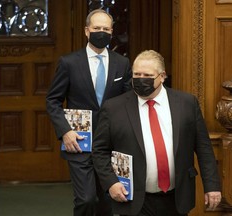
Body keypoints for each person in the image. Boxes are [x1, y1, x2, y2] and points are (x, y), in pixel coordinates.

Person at [92, 50, 221, 216]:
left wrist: (212, 187)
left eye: (147, 75)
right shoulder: (113, 108)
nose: (140, 79)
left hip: (176, 197)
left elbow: (203, 148)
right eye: (136, 74)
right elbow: (99, 151)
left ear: (162, 76)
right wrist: (111, 183)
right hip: (134, 199)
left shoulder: (186, 103)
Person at [46, 9, 132, 216]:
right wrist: (65, 131)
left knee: (107, 202)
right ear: (87, 31)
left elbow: (129, 101)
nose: (101, 32)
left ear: (111, 32)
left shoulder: (122, 63)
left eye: (105, 29)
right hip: (80, 141)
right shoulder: (69, 63)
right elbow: (53, 100)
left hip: (111, 142)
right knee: (86, 199)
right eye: (96, 28)